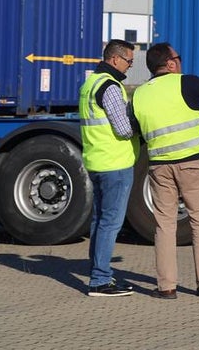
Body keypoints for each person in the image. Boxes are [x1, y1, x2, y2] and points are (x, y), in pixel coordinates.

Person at [130, 43, 199, 299]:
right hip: (193, 164)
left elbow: (133, 128)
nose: (180, 62)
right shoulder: (187, 83)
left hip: (159, 167)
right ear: (171, 64)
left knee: (164, 226)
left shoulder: (139, 94)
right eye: (178, 57)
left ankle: (166, 287)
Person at [80, 39, 141, 297]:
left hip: (97, 160)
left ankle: (98, 271)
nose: (130, 66)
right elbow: (123, 128)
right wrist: (141, 126)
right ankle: (100, 280)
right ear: (115, 59)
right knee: (110, 223)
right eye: (129, 61)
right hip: (115, 163)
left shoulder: (90, 83)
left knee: (99, 221)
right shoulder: (109, 86)